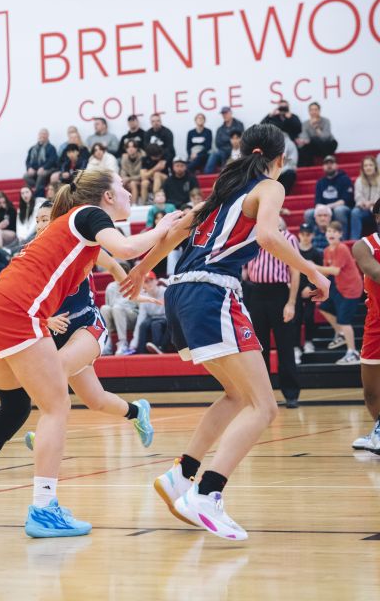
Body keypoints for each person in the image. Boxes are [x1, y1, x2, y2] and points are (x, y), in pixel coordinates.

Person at [0, 168, 181, 536]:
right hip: (17, 312)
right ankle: (44, 508)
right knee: (57, 405)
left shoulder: (76, 232)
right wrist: (164, 225)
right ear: (107, 196)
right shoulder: (88, 214)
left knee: (16, 407)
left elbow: (117, 260)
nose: (130, 193)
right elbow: (129, 248)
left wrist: (129, 283)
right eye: (123, 187)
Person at [122, 123, 329, 541]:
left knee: (238, 396)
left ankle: (182, 475)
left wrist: (143, 268)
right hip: (212, 291)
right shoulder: (270, 187)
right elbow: (269, 236)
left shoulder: (220, 194)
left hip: (180, 293)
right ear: (280, 158)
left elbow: (176, 232)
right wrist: (312, 270)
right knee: (265, 407)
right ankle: (207, 494)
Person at [23, 201, 155, 450]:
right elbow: (26, 300)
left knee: (55, 367)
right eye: (37, 220)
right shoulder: (31, 253)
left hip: (87, 324)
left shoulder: (78, 244)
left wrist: (131, 291)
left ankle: (45, 432)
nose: (40, 225)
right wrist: (45, 320)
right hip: (56, 332)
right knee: (96, 400)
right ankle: (137, 412)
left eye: (45, 219)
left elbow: (115, 265)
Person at [244, 219, 302, 408]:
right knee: (259, 349)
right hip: (256, 293)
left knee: (285, 345)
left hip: (279, 293)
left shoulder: (287, 238)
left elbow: (295, 271)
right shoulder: (253, 238)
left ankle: (291, 393)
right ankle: (263, 396)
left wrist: (291, 303)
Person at [351, 199, 380, 453]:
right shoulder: (364, 245)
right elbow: (374, 271)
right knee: (371, 392)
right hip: (376, 325)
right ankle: (379, 429)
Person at [318, 221, 363, 364]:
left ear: (340, 234)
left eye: (335, 232)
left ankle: (353, 353)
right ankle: (341, 334)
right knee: (323, 307)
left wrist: (312, 266)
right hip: (338, 287)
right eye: (329, 231)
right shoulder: (326, 250)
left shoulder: (342, 248)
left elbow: (335, 270)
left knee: (344, 321)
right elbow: (325, 274)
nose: (331, 234)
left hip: (351, 288)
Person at [304, 156, 354, 238]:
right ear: (323, 167)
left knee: (339, 210)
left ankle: (343, 239)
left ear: (336, 165)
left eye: (331, 163)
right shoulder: (320, 182)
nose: (329, 165)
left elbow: (345, 200)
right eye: (326, 163)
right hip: (325, 209)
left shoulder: (344, 179)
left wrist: (327, 207)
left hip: (343, 209)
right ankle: (315, 238)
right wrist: (323, 210)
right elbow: (318, 202)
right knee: (308, 213)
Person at [294, 224, 323, 360]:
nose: (305, 237)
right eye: (303, 234)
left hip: (310, 289)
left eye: (308, 234)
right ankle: (295, 346)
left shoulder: (316, 253)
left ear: (312, 235)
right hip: (295, 288)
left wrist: (310, 287)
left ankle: (308, 342)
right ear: (299, 234)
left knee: (309, 316)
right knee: (296, 318)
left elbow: (319, 274)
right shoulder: (294, 251)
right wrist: (297, 288)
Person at [100, 266, 139, 356]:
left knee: (117, 307)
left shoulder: (134, 285)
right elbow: (108, 304)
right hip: (116, 317)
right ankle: (107, 342)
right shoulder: (110, 287)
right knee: (104, 308)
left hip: (131, 317)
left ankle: (123, 342)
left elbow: (140, 307)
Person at [129, 272, 168, 354]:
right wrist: (134, 343)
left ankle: (159, 348)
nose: (149, 283)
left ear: (156, 281)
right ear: (143, 285)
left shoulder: (166, 292)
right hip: (153, 319)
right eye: (146, 282)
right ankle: (141, 352)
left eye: (151, 280)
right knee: (143, 324)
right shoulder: (144, 297)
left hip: (166, 318)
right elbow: (140, 319)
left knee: (156, 324)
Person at [204, 108, 245, 174]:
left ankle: (224, 172)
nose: (224, 115)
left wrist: (227, 140)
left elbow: (241, 138)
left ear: (230, 113)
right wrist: (230, 140)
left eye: (226, 113)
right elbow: (218, 143)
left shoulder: (239, 124)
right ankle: (207, 174)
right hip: (223, 150)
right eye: (223, 114)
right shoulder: (220, 129)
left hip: (236, 149)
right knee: (214, 154)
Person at [296, 102, 338, 166]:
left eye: (315, 110)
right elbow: (305, 137)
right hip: (315, 147)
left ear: (319, 111)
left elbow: (325, 137)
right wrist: (303, 141)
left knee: (317, 140)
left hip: (328, 144)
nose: (313, 112)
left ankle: (328, 160)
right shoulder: (305, 124)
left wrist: (316, 127)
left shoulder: (326, 121)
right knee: (305, 146)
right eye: (311, 110)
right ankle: (310, 166)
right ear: (309, 111)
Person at [351, 156, 380, 240]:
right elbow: (357, 196)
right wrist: (363, 203)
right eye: (366, 165)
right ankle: (354, 241)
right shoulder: (359, 181)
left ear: (375, 166)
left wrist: (372, 203)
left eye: (370, 165)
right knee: (355, 212)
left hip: (377, 208)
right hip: (364, 209)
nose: (368, 167)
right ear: (363, 168)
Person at [24, 128, 58, 196]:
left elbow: (52, 161)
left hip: (49, 169)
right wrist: (29, 168)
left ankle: (37, 194)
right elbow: (27, 160)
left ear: (47, 136)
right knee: (26, 176)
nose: (42, 136)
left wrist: (43, 168)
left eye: (44, 134)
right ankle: (39, 187)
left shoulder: (51, 148)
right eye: (40, 134)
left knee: (41, 174)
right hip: (35, 170)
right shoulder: (32, 148)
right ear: (38, 135)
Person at [120, 140, 144, 205]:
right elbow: (123, 170)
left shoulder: (143, 157)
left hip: (141, 181)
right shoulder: (124, 158)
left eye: (133, 147)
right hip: (130, 181)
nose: (130, 149)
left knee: (133, 183)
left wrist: (129, 178)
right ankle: (123, 205)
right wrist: (124, 178)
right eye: (128, 147)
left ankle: (134, 205)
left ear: (136, 148)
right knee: (121, 184)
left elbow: (142, 175)